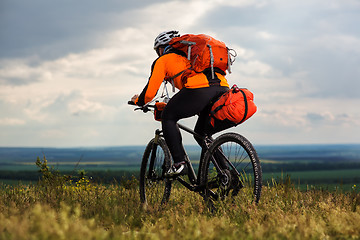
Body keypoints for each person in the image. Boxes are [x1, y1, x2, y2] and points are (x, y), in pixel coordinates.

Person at [131, 30, 229, 176]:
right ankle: (227, 173)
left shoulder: (163, 60)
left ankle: (179, 163)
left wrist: (139, 101)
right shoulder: (193, 58)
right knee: (201, 133)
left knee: (168, 117)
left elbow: (150, 92)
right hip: (222, 88)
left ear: (162, 48)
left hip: (198, 90)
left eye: (158, 50)